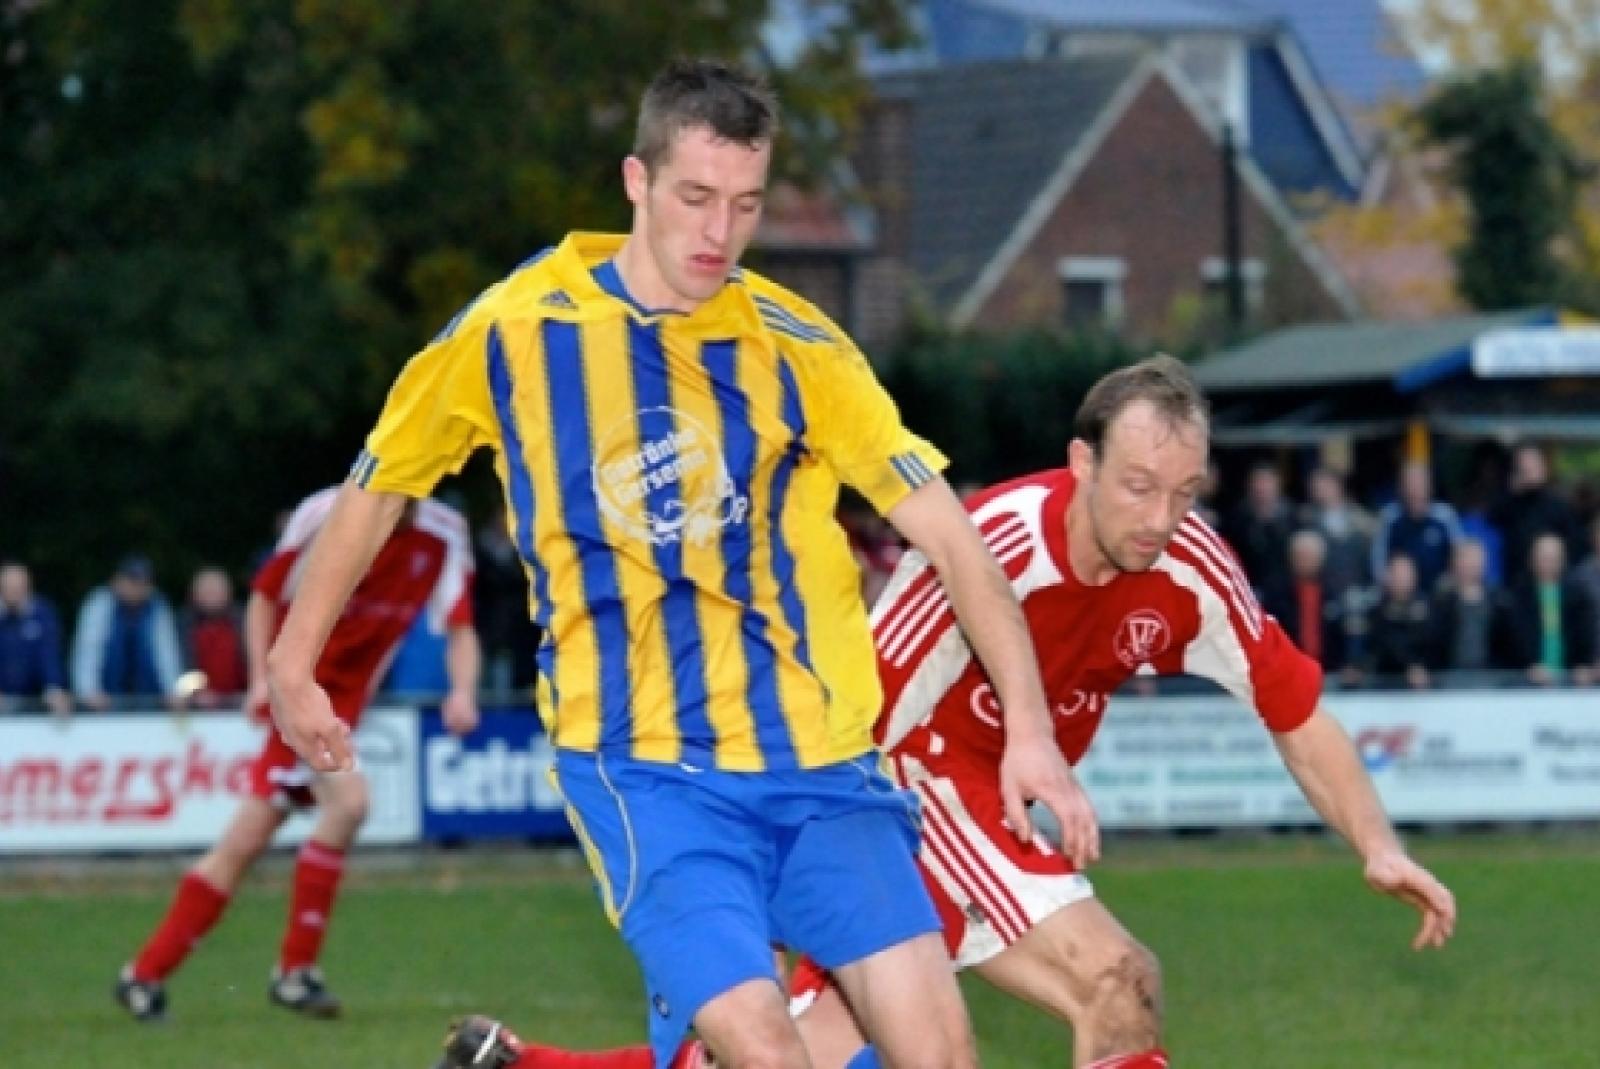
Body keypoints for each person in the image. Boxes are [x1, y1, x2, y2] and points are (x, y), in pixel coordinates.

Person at [269, 58, 1088, 1069]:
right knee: (764, 1050)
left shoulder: (800, 348)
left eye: (745, 203)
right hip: (647, 769)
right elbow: (381, 484)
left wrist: (1030, 732)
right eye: (695, 197)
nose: (719, 231)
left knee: (944, 1053)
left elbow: (955, 540)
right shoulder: (517, 329)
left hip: (820, 765)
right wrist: (293, 661)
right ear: (637, 181)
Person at [442, 356, 1456, 1069]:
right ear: (1082, 462)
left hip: (992, 804)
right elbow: (865, 710)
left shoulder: (1190, 566)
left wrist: (1376, 844)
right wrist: (811, 869)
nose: (1159, 518)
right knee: (1116, 978)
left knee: (793, 1051)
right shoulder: (993, 546)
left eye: (1183, 492)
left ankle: (526, 1066)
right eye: (1138, 486)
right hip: (908, 783)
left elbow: (1295, 709)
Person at [115, 489, 480, 1021]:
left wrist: (463, 691)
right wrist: (263, 681)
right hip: (301, 699)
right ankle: (294, 971)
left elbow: (460, 626)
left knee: (242, 845)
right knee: (349, 804)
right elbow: (265, 596)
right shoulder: (328, 513)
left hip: (346, 708)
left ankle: (144, 975)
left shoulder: (444, 532)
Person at [70, 553, 185, 710]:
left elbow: (166, 653)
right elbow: (88, 650)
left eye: (144, 582)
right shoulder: (99, 604)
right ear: (116, 581)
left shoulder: (158, 607)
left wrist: (174, 691)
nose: (138, 588)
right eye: (132, 581)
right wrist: (89, 691)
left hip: (150, 701)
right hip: (105, 701)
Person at [1503, 532, 1597, 687]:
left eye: (1553, 558)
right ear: (1532, 560)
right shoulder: (1517, 597)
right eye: (1544, 558)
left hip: (1570, 681)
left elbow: (1585, 635)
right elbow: (1509, 642)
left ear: (1563, 560)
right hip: (1526, 682)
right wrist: (1527, 666)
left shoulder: (1577, 596)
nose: (1548, 563)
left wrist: (1583, 665)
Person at [1371, 461, 1461, 595]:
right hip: (1399, 591)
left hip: (1439, 591)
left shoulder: (1445, 516)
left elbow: (1460, 553)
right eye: (1411, 486)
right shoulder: (1390, 517)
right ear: (1402, 489)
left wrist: (1450, 580)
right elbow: (1378, 561)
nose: (1415, 491)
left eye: (1420, 486)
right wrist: (1389, 581)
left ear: (1429, 488)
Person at [0, 559, 72, 715]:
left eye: (18, 587)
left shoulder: (43, 614)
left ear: (28, 587)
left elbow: (49, 656)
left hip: (35, 702)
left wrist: (54, 688)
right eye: (9, 587)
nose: (14, 592)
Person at [179, 565, 248, 708]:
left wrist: (250, 690)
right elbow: (183, 664)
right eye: (207, 592)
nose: (211, 596)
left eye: (216, 591)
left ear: (228, 593)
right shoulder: (184, 626)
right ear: (194, 595)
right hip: (198, 705)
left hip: (241, 701)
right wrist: (195, 692)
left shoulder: (244, 623)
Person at [1363, 554, 1435, 690]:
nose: (1401, 579)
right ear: (1387, 577)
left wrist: (1420, 668)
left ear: (1414, 576)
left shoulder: (1430, 610)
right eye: (1396, 574)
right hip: (1385, 686)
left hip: (1427, 686)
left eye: (1405, 574)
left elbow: (1434, 645)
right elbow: (1377, 648)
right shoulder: (1376, 614)